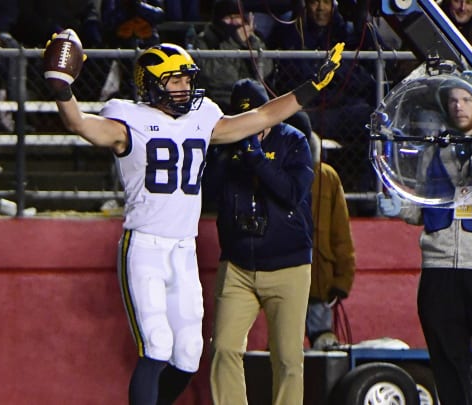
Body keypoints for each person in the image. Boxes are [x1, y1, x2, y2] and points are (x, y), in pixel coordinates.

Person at [43, 21, 343, 401]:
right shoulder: (127, 120)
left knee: (187, 356)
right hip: (145, 245)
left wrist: (309, 89)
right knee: (156, 345)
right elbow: (80, 124)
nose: (185, 87)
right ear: (151, 84)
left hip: (184, 248)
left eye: (187, 79)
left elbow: (264, 117)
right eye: (175, 80)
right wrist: (62, 91)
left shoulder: (202, 118)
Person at [378, 71, 472, 405]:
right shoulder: (434, 150)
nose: (458, 106)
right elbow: (417, 211)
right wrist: (398, 204)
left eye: (467, 99)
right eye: (453, 100)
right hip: (439, 268)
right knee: (448, 361)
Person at [201, 77, 313, 405]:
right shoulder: (225, 145)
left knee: (288, 358)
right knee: (223, 347)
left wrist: (257, 159)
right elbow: (206, 194)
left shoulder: (294, 141)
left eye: (258, 121)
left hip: (288, 265)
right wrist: (226, 155)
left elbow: (291, 194)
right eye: (243, 121)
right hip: (237, 264)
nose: (252, 130)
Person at [268, 0, 379, 214]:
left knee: (373, 121)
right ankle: (294, 200)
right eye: (314, 2)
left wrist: (362, 20)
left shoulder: (347, 30)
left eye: (326, 2)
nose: (320, 8)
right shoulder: (290, 29)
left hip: (340, 108)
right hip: (303, 109)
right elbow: (291, 74)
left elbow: (365, 72)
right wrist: (324, 72)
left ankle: (367, 197)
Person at [306, 130, 356, 350]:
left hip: (318, 281)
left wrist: (342, 281)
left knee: (323, 342)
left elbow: (341, 235)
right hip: (284, 279)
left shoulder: (327, 178)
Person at [193, 0, 272, 112]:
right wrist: (234, 43)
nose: (234, 22)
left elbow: (266, 69)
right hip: (221, 99)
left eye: (237, 17)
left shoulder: (250, 38)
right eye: (229, 18)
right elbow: (214, 75)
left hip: (252, 97)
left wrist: (252, 40)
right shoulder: (205, 39)